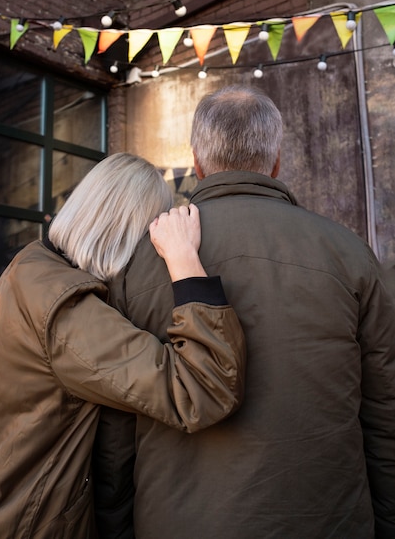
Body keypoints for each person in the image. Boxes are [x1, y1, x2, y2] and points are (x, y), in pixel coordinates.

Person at [93, 87, 395, 539]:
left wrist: (116, 525)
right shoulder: (350, 254)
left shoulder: (137, 265)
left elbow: (116, 423)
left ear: (196, 161)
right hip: (329, 519)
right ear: (276, 161)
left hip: (178, 520)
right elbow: (384, 411)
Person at [0, 152, 246, 539]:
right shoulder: (64, 310)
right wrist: (183, 259)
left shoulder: (33, 267)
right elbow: (204, 389)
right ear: (128, 231)